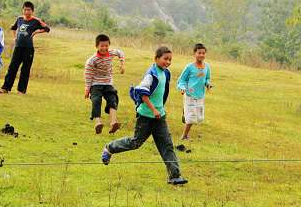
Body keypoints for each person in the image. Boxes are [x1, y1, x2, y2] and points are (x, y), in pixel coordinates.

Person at [101, 46, 187, 185]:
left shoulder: (166, 73)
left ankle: (175, 176)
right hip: (146, 116)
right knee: (136, 142)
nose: (168, 62)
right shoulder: (151, 74)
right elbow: (142, 92)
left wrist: (160, 109)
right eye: (165, 59)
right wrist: (153, 110)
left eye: (170, 59)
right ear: (156, 58)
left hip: (160, 117)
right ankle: (109, 148)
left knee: (167, 145)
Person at [0, 1, 50, 95]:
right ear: (23, 10)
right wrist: (15, 38)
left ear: (32, 11)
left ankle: (21, 90)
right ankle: (5, 88)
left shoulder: (36, 20)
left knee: (25, 69)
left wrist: (36, 32)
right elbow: (13, 28)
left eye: (29, 10)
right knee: (12, 68)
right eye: (25, 9)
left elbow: (47, 29)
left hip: (28, 49)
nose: (26, 11)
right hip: (18, 47)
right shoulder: (19, 19)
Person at [85, 34, 125, 134]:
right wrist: (87, 88)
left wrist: (122, 64)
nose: (104, 48)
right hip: (96, 84)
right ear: (97, 46)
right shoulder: (92, 60)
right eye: (102, 46)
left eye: (106, 46)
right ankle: (98, 123)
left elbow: (120, 52)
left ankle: (113, 122)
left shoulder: (111, 53)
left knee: (113, 99)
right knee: (96, 101)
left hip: (108, 83)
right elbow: (88, 74)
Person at [177, 43, 212, 142]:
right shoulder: (189, 67)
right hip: (189, 94)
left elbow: (207, 78)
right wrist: (183, 88)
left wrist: (208, 84)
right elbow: (181, 80)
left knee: (199, 117)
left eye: (203, 53)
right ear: (194, 53)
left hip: (200, 95)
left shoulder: (207, 67)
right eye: (199, 53)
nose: (201, 55)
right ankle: (184, 136)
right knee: (192, 118)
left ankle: (185, 113)